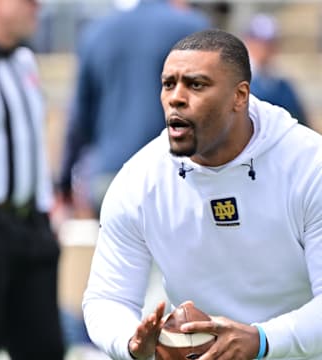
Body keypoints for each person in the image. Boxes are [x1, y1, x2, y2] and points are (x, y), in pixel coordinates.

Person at [82, 29, 322, 360]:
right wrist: (131, 342)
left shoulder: (310, 166)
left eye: (196, 84)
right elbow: (107, 298)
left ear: (240, 96)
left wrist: (262, 340)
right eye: (169, 84)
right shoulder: (138, 180)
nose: (176, 97)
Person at [0, 0, 65, 359]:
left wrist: (48, 207)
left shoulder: (24, 59)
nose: (38, 6)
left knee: (45, 347)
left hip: (31, 227)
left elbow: (32, 141)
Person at [57, 0, 212, 218]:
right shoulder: (192, 28)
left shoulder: (97, 32)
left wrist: (63, 182)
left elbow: (80, 118)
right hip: (177, 181)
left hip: (110, 180)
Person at [244, 13, 309, 127]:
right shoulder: (239, 79)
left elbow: (301, 122)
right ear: (249, 41)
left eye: (270, 43)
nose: (266, 48)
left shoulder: (282, 85)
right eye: (261, 43)